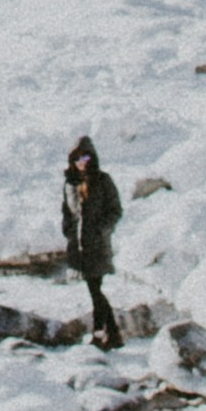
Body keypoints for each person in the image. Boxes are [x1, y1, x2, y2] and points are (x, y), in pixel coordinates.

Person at [62, 132, 125, 349]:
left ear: (92, 158)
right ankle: (113, 334)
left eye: (85, 158)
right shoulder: (69, 184)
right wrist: (68, 231)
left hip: (97, 245)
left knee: (95, 291)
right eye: (77, 158)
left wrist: (101, 230)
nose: (82, 163)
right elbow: (67, 213)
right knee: (94, 291)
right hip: (79, 248)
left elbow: (115, 210)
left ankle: (100, 335)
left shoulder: (103, 180)